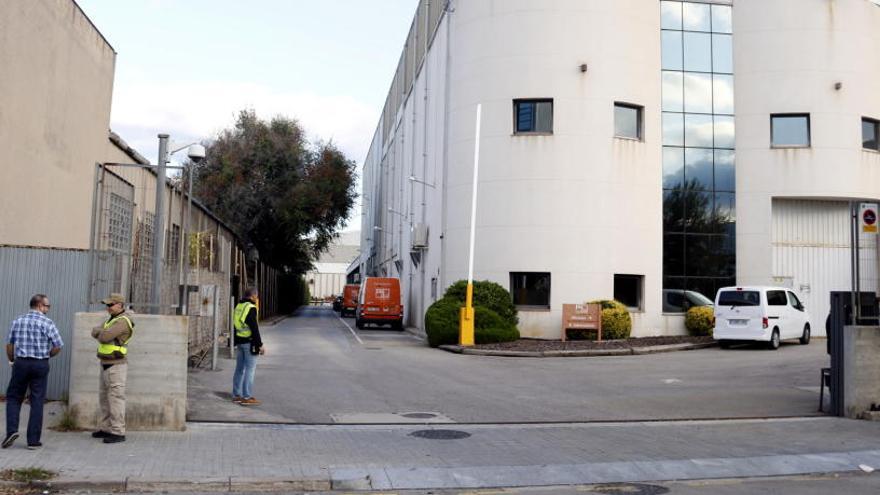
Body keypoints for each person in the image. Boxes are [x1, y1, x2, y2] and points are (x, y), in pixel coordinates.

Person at [3, 294, 63, 450]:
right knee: (37, 400)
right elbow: (58, 345)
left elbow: (9, 345)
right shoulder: (48, 323)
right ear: (39, 305)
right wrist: (46, 355)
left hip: (21, 363)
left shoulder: (17, 321)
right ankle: (33, 441)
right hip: (40, 364)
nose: (48, 309)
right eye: (47, 306)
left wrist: (12, 360)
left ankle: (11, 431)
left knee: (14, 397)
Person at [90, 293, 134, 444]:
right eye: (107, 305)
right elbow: (95, 330)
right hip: (105, 363)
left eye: (111, 305)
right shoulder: (111, 319)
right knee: (104, 399)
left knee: (116, 399)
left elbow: (103, 337)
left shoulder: (123, 321)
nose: (107, 307)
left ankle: (118, 431)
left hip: (116, 365)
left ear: (120, 305)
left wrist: (100, 332)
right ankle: (105, 428)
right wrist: (101, 332)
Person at [232, 288, 264, 406]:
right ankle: (247, 396)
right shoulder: (250, 308)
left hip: (240, 341)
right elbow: (254, 328)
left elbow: (235, 325)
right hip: (249, 342)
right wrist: (260, 345)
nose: (257, 299)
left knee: (239, 369)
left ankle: (236, 395)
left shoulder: (239, 306)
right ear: (253, 296)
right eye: (256, 296)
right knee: (250, 370)